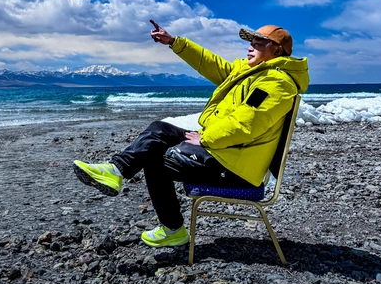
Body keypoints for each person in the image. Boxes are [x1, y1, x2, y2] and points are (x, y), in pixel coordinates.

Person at [73, 19, 309, 248]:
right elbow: (209, 63)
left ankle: (173, 230)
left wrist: (206, 139)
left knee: (156, 161)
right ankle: (115, 170)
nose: (250, 46)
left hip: (235, 167)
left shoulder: (276, 83)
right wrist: (174, 42)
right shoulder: (251, 73)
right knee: (160, 129)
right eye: (251, 42)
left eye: (258, 43)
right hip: (226, 152)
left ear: (277, 50)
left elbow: (246, 124)